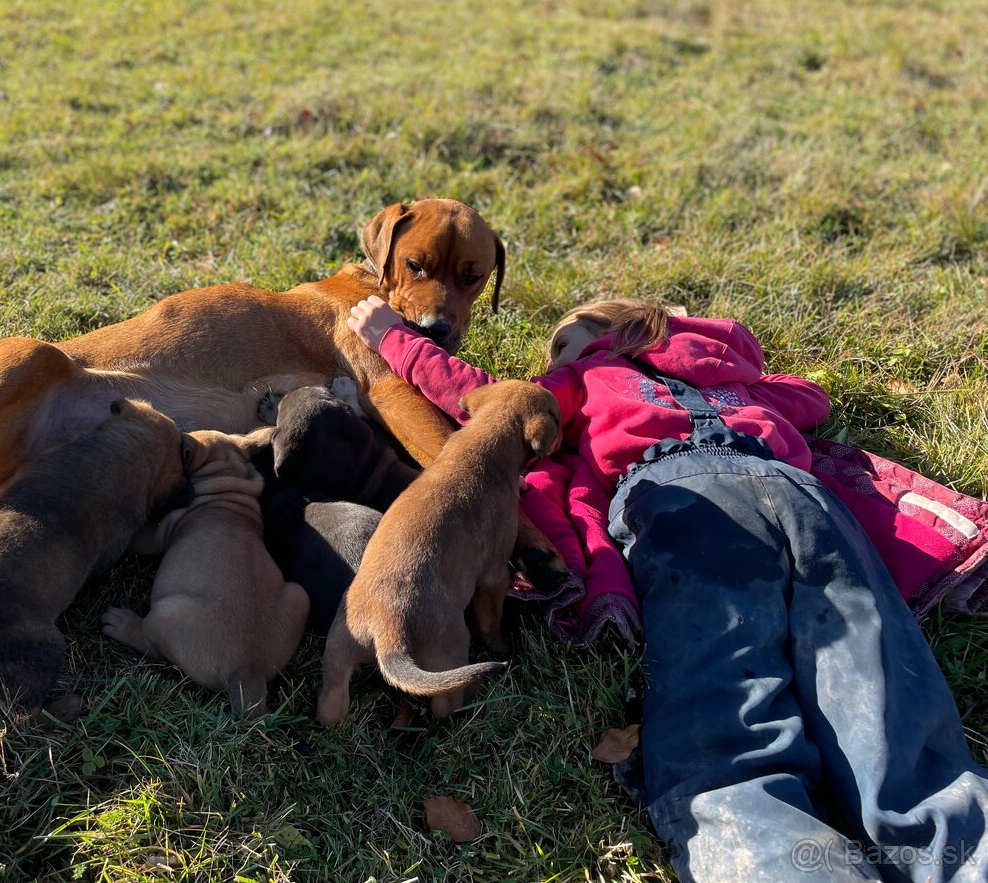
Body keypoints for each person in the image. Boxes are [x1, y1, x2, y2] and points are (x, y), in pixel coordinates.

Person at [347, 294, 988, 883]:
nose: (551, 361)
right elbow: (810, 400)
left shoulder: (587, 377)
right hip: (803, 496)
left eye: (559, 346)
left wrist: (394, 339)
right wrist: (696, 346)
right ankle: (956, 842)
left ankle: (767, 851)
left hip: (683, 504)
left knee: (728, 715)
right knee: (879, 686)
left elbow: (482, 397)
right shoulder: (731, 379)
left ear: (607, 335)